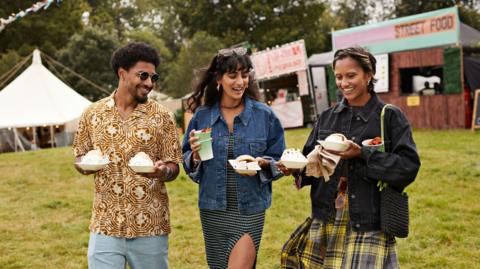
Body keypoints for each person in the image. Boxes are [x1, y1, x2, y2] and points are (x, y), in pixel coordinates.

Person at [279, 47, 420, 268]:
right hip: (326, 217)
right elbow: (308, 163)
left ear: (369, 74)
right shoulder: (327, 118)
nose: (344, 83)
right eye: (339, 77)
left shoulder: (390, 117)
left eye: (351, 75)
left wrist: (363, 154)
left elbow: (408, 167)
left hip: (368, 220)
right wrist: (293, 168)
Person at [73, 42, 182, 269]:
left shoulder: (162, 116)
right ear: (122, 73)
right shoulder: (92, 114)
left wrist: (164, 171)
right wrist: (86, 166)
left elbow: (174, 165)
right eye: (143, 75)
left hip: (150, 226)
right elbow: (80, 157)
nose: (149, 83)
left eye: (153, 77)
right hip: (105, 224)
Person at [182, 47, 285, 269]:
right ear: (219, 78)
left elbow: (280, 160)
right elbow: (188, 161)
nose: (240, 81)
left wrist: (264, 163)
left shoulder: (264, 115)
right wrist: (196, 156)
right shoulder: (202, 116)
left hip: (250, 209)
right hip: (213, 208)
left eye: (245, 75)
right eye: (233, 75)